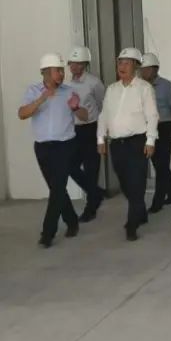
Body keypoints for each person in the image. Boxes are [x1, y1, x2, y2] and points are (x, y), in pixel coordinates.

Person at [18, 53, 88, 248]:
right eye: (58, 71)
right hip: (42, 148)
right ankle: (72, 221)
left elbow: (85, 116)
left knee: (57, 190)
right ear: (45, 72)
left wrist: (75, 108)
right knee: (57, 189)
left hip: (65, 146)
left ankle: (47, 233)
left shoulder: (69, 91)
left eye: (62, 70)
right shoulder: (33, 91)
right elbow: (22, 114)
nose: (62, 74)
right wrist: (42, 99)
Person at [98, 48, 158, 241]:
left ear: (136, 66)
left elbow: (152, 116)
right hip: (117, 144)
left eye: (126, 63)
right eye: (120, 62)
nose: (121, 66)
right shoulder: (112, 89)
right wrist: (100, 138)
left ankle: (131, 225)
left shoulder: (144, 88)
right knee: (125, 183)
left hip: (137, 143)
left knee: (137, 184)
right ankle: (140, 211)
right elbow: (104, 115)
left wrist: (151, 140)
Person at [65, 46, 106, 221]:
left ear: (85, 65)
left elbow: (103, 106)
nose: (73, 67)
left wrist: (102, 132)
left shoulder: (94, 83)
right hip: (74, 131)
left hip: (91, 129)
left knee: (91, 169)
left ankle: (91, 208)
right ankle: (96, 193)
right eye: (71, 63)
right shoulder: (67, 84)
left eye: (78, 63)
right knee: (70, 166)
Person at [139, 52, 171, 213]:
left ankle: (158, 200)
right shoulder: (139, 86)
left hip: (164, 126)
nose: (144, 72)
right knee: (158, 164)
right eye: (142, 69)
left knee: (162, 165)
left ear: (155, 69)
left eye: (147, 69)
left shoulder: (167, 86)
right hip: (147, 128)